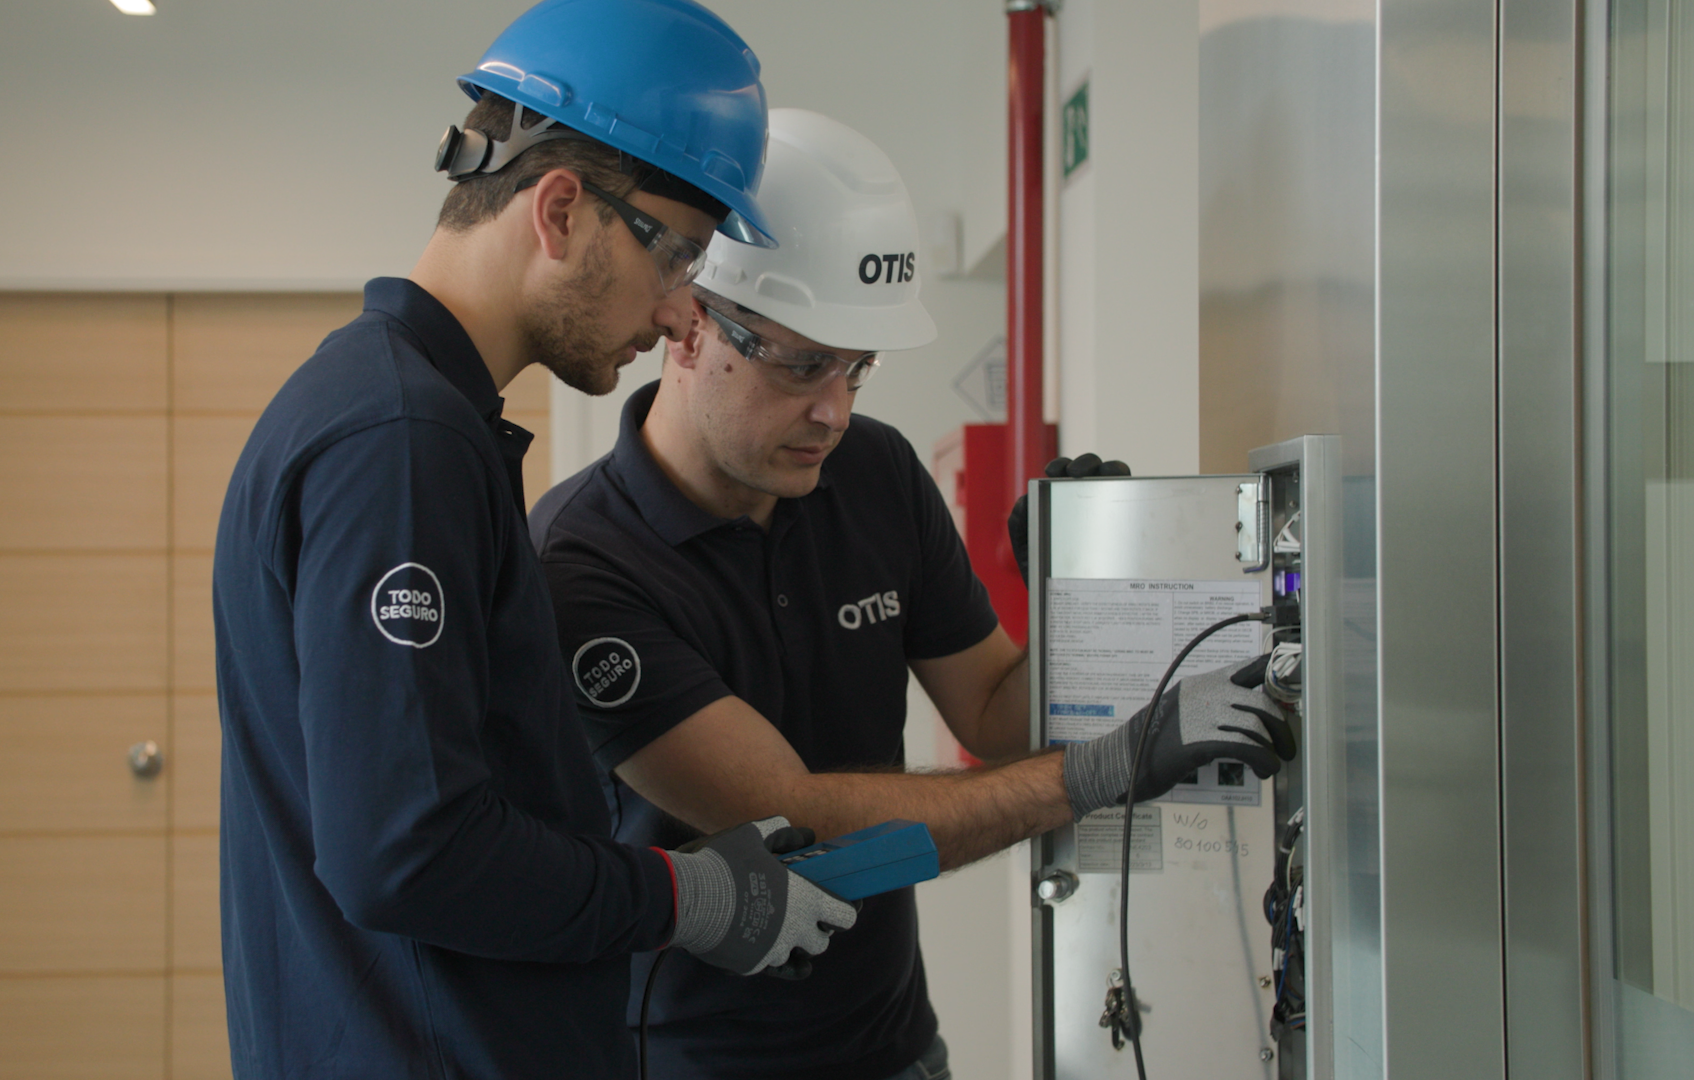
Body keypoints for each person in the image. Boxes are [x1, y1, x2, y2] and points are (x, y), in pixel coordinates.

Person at [530, 109, 1297, 1080]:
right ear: (688, 323)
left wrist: (1077, 595)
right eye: (804, 363)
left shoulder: (874, 473)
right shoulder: (583, 562)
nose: (834, 410)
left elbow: (997, 715)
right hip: (690, 1062)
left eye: (859, 368)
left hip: (895, 1048)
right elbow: (796, 816)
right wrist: (1106, 769)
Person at [211, 6, 858, 1078]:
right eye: (676, 257)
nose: (681, 317)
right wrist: (685, 896)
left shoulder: (398, 416)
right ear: (560, 210)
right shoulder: (401, 442)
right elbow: (406, 852)